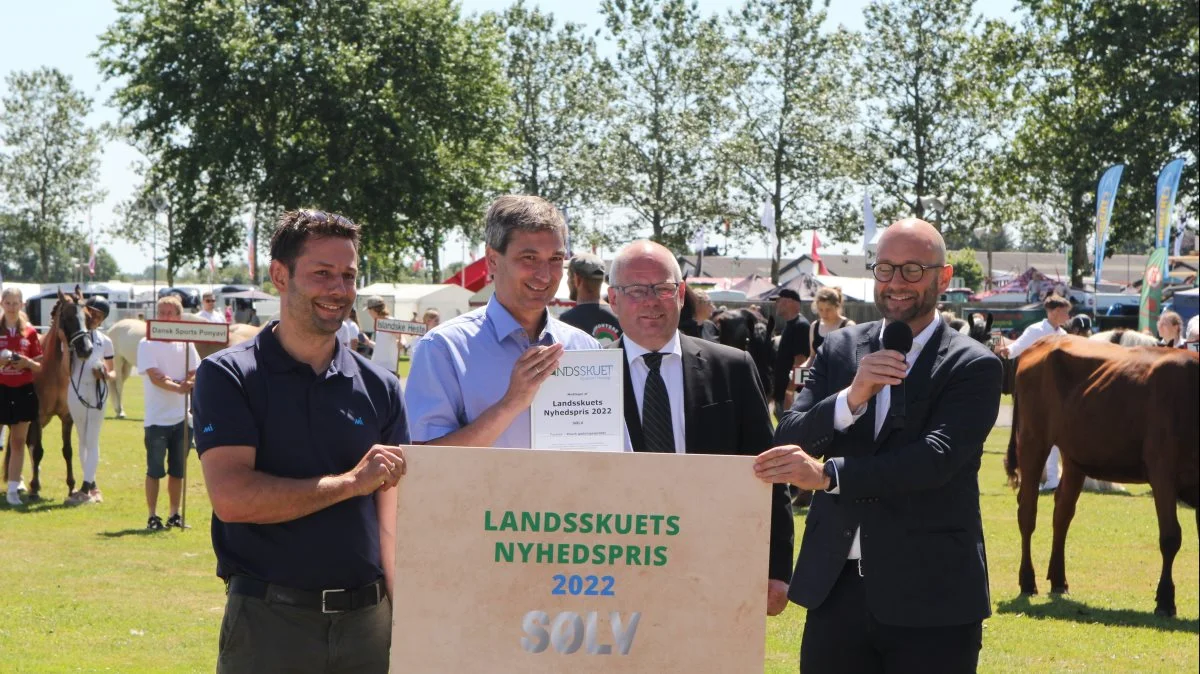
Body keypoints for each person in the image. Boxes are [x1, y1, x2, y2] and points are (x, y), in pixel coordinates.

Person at [754, 218, 1002, 673]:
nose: (895, 284)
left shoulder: (974, 365)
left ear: (943, 277)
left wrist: (829, 475)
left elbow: (936, 459)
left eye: (912, 270)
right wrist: (852, 398)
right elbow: (787, 435)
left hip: (932, 596)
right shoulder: (839, 349)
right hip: (835, 589)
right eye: (885, 269)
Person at [192, 209, 407, 672]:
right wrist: (352, 482)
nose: (339, 289)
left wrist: (408, 611)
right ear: (279, 275)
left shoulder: (381, 386)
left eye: (348, 275)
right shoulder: (230, 375)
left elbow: (395, 520)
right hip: (270, 625)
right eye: (322, 273)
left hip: (369, 626)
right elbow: (233, 499)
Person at [607, 240, 795, 618]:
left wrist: (775, 571)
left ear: (680, 294)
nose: (650, 300)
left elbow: (770, 472)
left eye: (661, 288)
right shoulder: (581, 377)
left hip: (713, 566)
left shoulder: (733, 368)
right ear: (612, 299)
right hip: (612, 573)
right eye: (636, 291)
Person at [406, 195, 604, 449]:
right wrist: (510, 404)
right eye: (529, 258)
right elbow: (425, 463)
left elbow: (607, 455)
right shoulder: (443, 348)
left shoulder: (585, 348)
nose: (544, 275)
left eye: (555, 259)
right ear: (492, 260)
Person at [138, 295, 199, 529]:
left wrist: (188, 384)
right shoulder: (147, 343)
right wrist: (179, 387)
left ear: (178, 316)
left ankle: (174, 514)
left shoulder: (186, 343)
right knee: (154, 470)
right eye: (161, 312)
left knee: (178, 470)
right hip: (156, 419)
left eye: (169, 313)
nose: (165, 317)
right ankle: (152, 515)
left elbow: (194, 370)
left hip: (182, 418)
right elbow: (155, 376)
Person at [1000, 293, 1071, 490]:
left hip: (1057, 391)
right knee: (1036, 436)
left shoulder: (1064, 335)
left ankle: (1052, 480)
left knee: (1056, 436)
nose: (1067, 317)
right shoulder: (1036, 330)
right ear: (1055, 312)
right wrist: (1002, 349)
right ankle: (1040, 478)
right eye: (1065, 312)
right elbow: (1015, 349)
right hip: (1036, 391)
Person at [65, 297, 116, 505]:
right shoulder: (76, 337)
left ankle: (85, 487)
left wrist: (104, 373)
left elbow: (113, 373)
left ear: (103, 319)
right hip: (76, 391)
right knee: (82, 439)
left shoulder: (106, 341)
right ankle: (91, 483)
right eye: (91, 312)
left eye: (98, 315)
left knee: (92, 439)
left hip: (98, 392)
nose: (94, 317)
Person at [1, 288, 42, 506]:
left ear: (22, 304)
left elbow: (39, 366)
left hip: (24, 389)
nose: (12, 307)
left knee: (18, 442)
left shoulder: (30, 332)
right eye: (8, 303)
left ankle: (13, 490)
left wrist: (26, 363)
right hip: (1, 388)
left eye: (16, 303)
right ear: (2, 303)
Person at [559, 253, 622, 344]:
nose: (567, 282)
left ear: (577, 279)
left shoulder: (566, 321)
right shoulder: (621, 317)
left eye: (569, 276)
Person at [770, 288, 811, 419]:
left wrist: (791, 391)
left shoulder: (801, 326)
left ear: (790, 302)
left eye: (779, 301)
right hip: (783, 393)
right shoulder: (790, 325)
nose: (776, 304)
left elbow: (802, 361)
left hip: (791, 396)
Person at [804, 286, 855, 367]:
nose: (824, 314)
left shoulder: (848, 326)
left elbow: (852, 357)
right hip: (818, 376)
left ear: (837, 306)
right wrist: (799, 370)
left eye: (828, 309)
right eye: (820, 309)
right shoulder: (814, 326)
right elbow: (812, 356)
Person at [365, 296, 398, 373]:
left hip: (388, 368)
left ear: (374, 310)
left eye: (369, 310)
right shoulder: (379, 323)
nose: (369, 313)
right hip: (377, 366)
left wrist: (401, 341)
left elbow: (401, 338)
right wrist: (368, 342)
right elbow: (381, 346)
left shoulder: (390, 322)